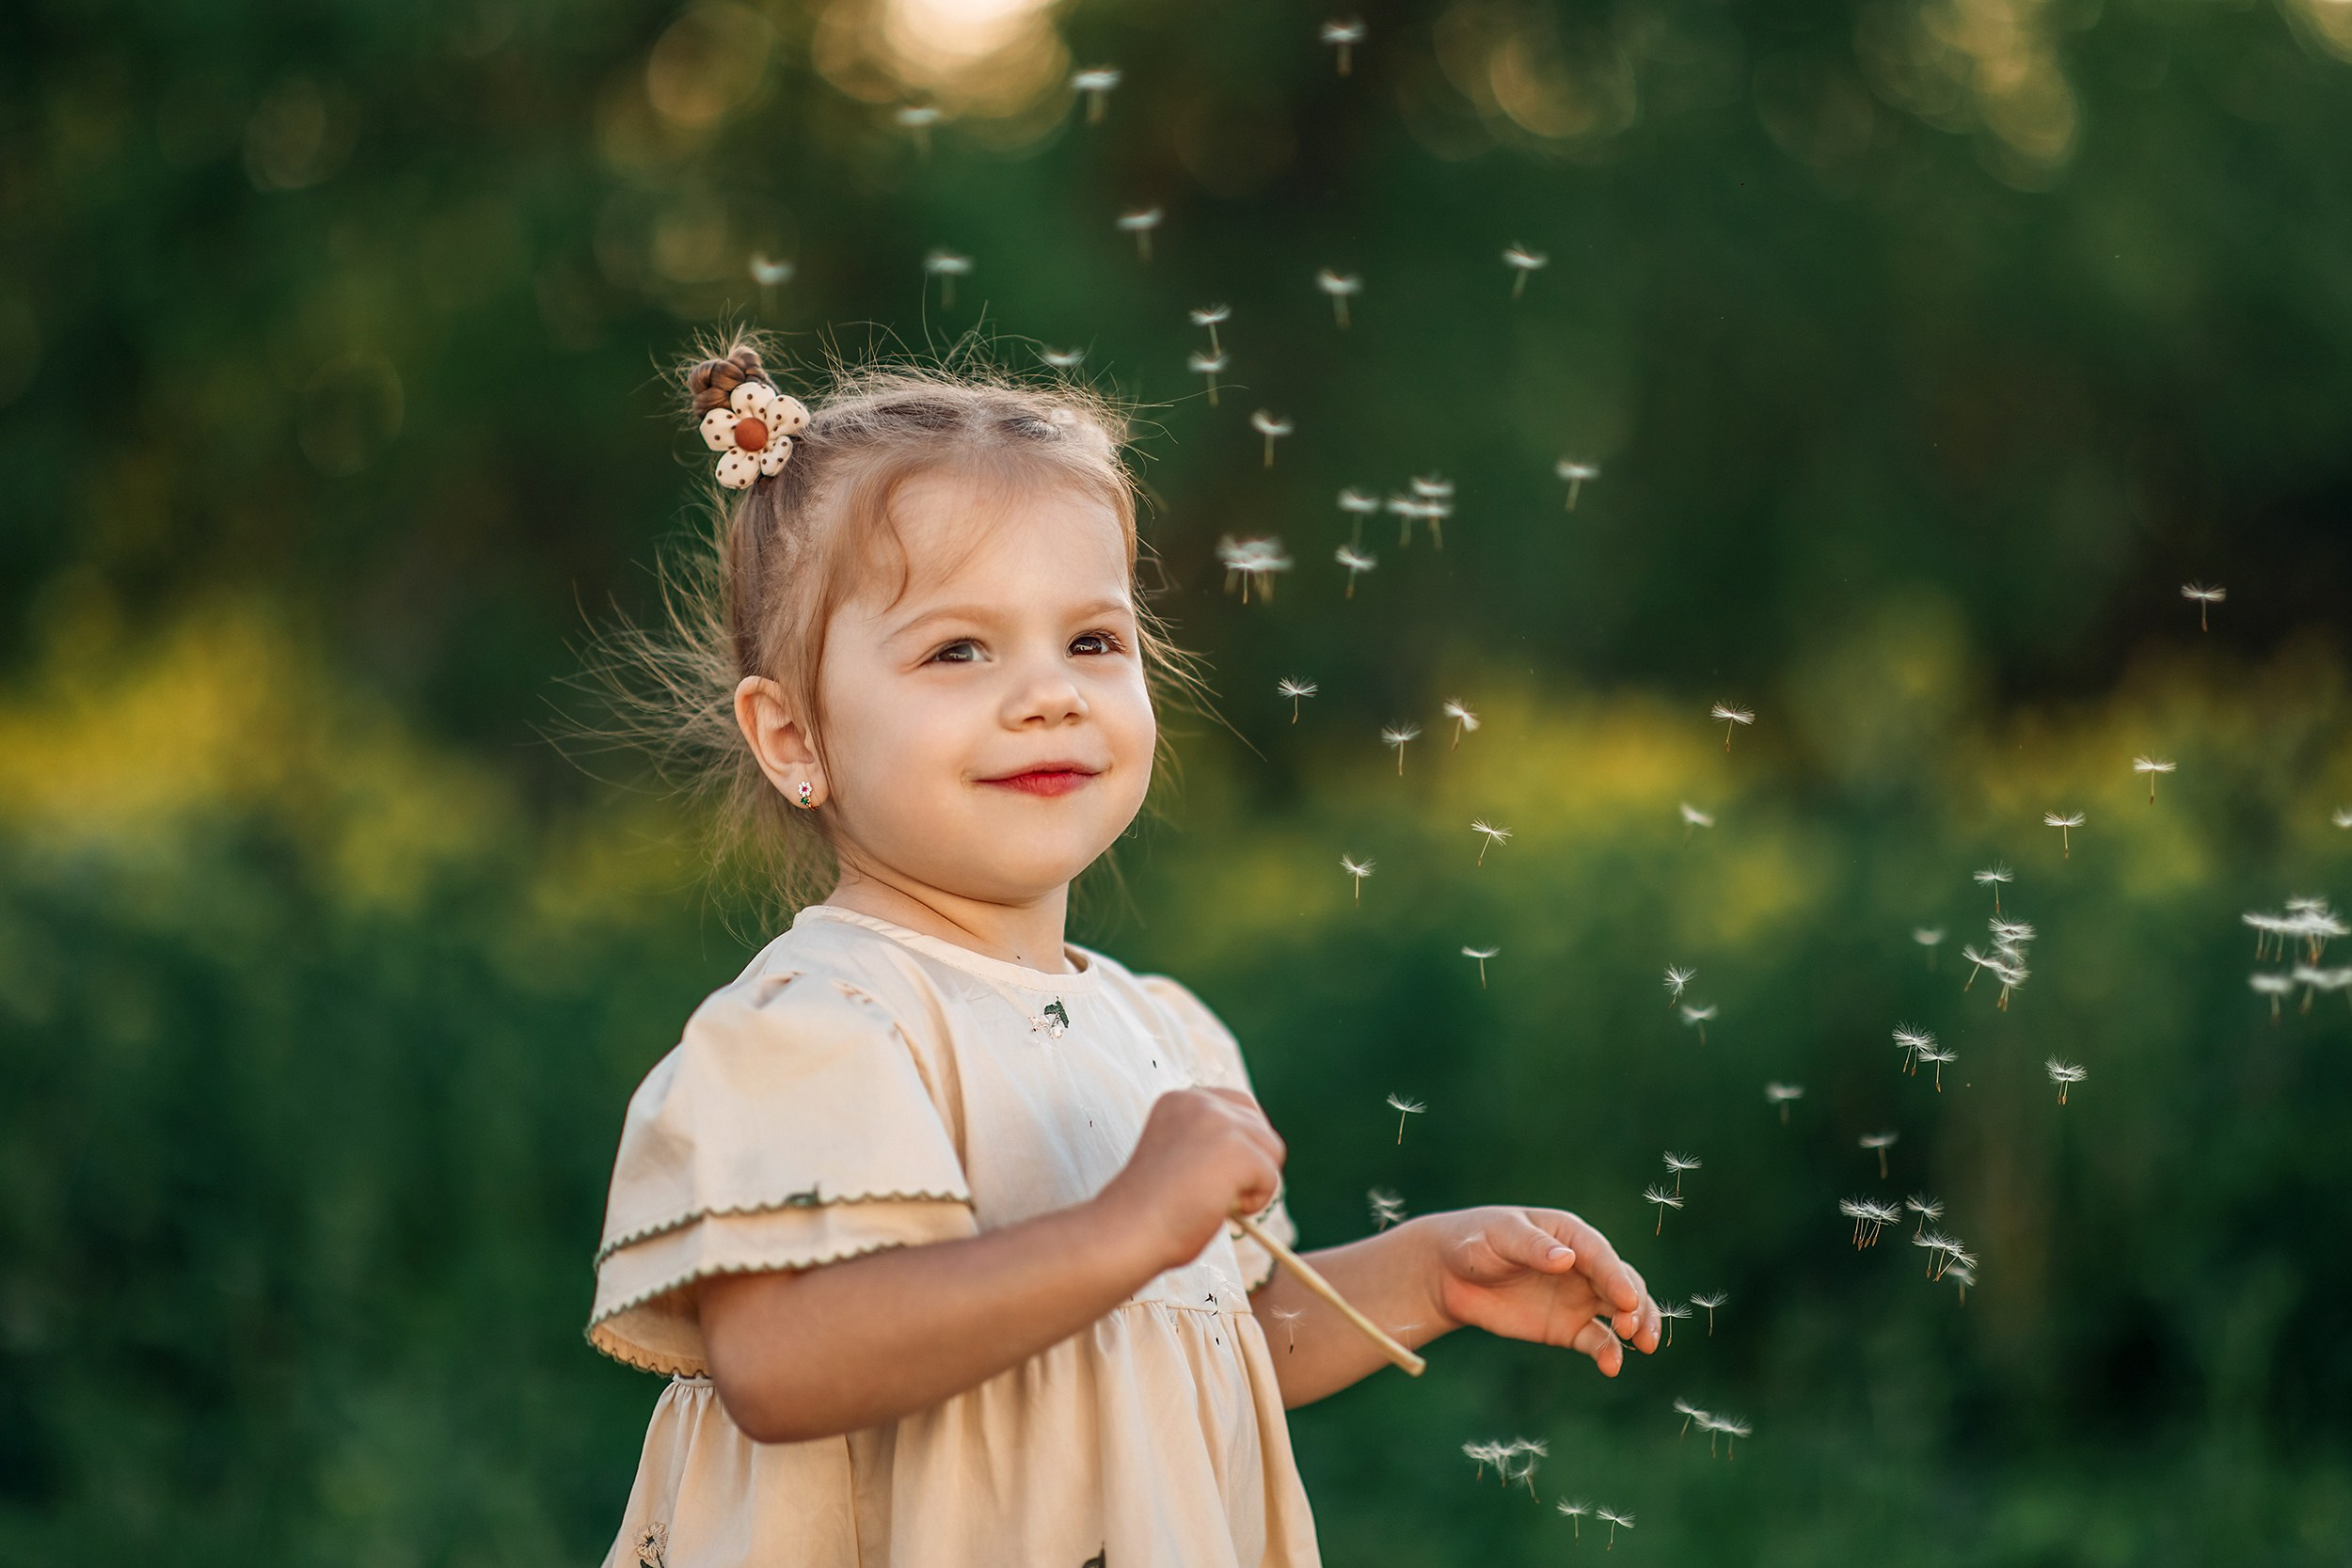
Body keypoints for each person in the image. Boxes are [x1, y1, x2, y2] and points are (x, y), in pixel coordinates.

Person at [584, 341, 1662, 1568]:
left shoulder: (1163, 1034)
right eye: (958, 650)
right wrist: (1126, 1225)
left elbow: (1199, 1340)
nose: (1049, 693)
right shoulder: (820, 1028)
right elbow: (782, 1363)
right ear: (794, 734)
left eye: (1092, 641)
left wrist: (1425, 1275)